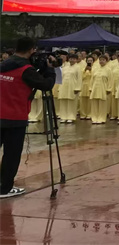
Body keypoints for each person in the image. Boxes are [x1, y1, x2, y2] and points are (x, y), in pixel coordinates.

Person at [0, 38, 56, 198]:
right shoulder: (26, 70)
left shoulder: (3, 65)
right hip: (15, 117)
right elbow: (46, 85)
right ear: (31, 50)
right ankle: (4, 188)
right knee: (11, 155)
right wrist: (50, 70)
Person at [58, 53, 82, 123]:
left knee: (71, 102)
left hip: (73, 87)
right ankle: (63, 117)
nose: (72, 60)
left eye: (74, 59)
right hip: (63, 86)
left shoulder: (78, 68)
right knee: (63, 101)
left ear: (76, 60)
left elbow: (79, 79)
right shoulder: (65, 67)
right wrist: (59, 87)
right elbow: (61, 78)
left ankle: (71, 117)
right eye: (71, 59)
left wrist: (78, 88)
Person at [90, 56, 110, 124]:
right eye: (100, 60)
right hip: (95, 88)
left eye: (103, 60)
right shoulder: (95, 69)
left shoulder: (108, 70)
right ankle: (94, 118)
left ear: (106, 61)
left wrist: (109, 89)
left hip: (103, 88)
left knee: (102, 104)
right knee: (94, 103)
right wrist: (90, 88)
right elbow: (92, 79)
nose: (101, 61)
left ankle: (101, 118)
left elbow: (111, 80)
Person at [80, 56, 93, 120]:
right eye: (88, 61)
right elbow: (81, 77)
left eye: (91, 61)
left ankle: (89, 114)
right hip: (83, 85)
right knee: (83, 101)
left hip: (90, 85)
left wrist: (91, 70)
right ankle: (83, 114)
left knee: (90, 101)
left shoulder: (95, 69)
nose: (89, 62)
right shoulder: (83, 69)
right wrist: (85, 70)